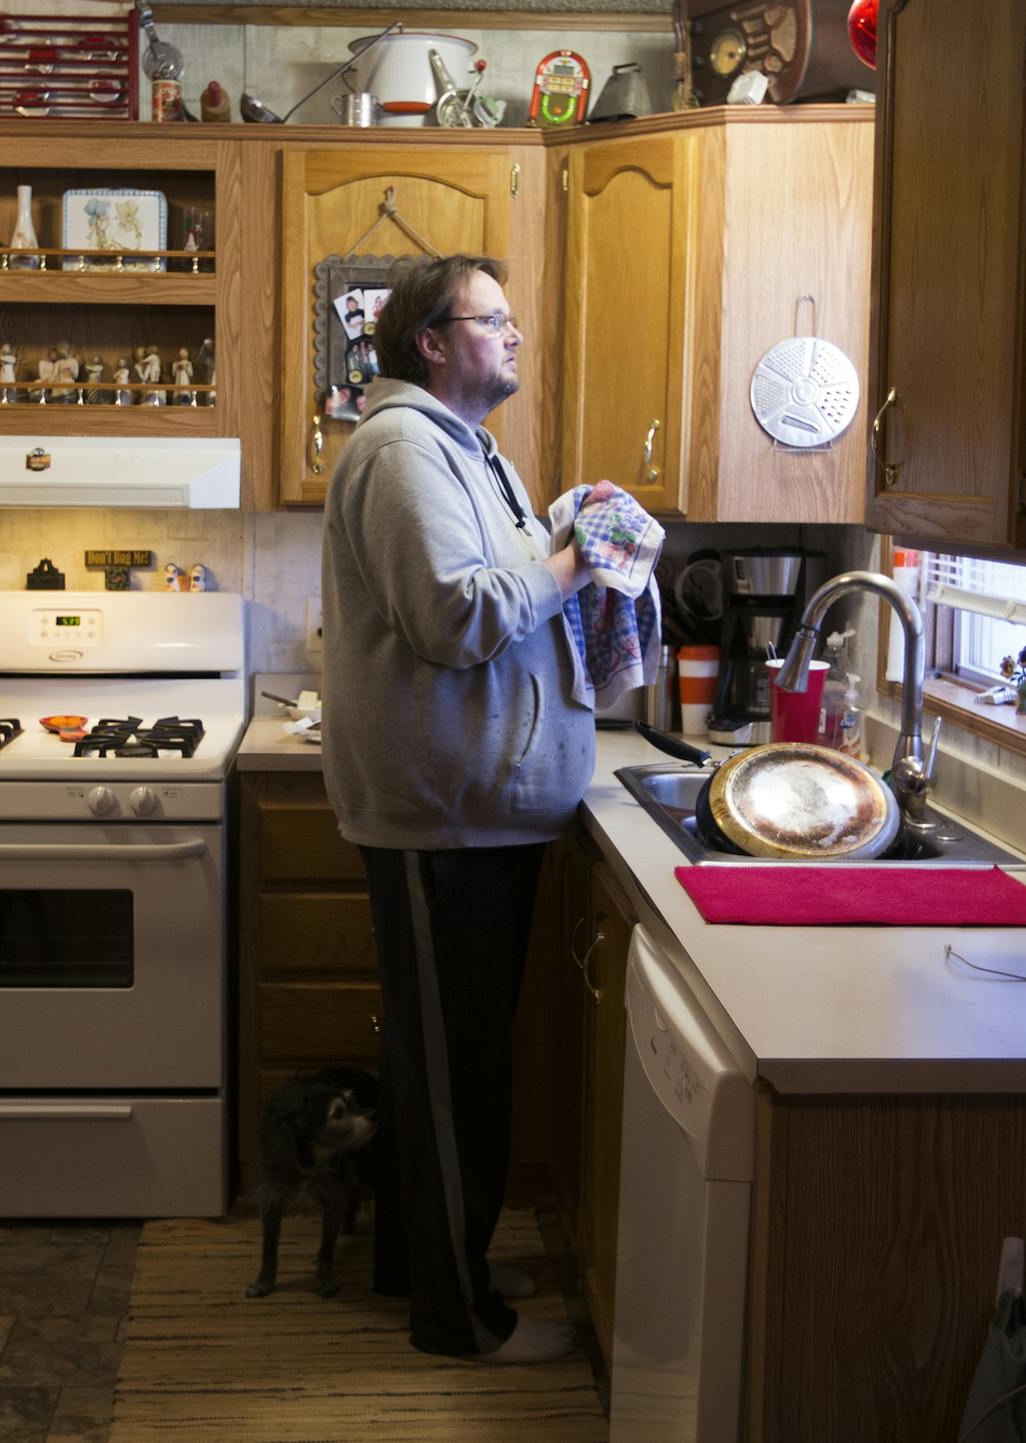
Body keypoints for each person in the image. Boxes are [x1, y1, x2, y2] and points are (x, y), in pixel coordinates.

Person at [321, 253, 596, 1365]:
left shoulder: (464, 452)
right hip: (445, 820)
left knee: (449, 1065)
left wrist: (557, 538)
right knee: (454, 1078)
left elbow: (497, 580)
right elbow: (455, 616)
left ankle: (436, 1261)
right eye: (495, 320)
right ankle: (455, 1318)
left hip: (476, 811)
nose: (516, 336)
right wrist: (578, 563)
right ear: (432, 342)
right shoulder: (400, 450)